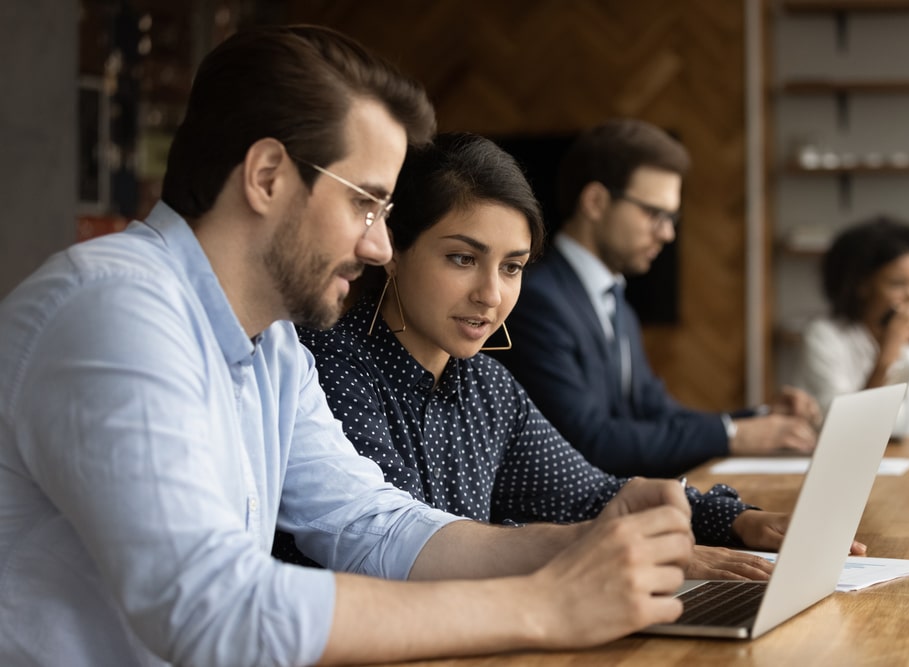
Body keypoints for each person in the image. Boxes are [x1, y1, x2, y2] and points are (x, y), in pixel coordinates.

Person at [0, 27, 697, 666]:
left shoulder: (271, 343)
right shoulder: (114, 308)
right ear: (268, 175)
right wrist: (545, 604)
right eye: (365, 203)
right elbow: (211, 608)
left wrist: (585, 545)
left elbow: (373, 523)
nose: (379, 244)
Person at [276, 133, 850, 581]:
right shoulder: (331, 365)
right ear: (392, 252)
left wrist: (738, 522)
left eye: (511, 266)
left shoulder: (485, 386)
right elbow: (395, 549)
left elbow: (592, 493)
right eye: (461, 258)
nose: (491, 294)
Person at [490, 118, 821, 479]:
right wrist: (735, 435)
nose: (666, 233)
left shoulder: (618, 304)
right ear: (596, 201)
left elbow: (657, 413)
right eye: (654, 214)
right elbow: (588, 441)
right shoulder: (536, 300)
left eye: (672, 218)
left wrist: (761, 419)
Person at [795, 215, 909, 437]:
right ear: (862, 285)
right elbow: (849, 429)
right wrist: (887, 357)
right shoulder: (824, 336)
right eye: (898, 284)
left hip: (907, 454)